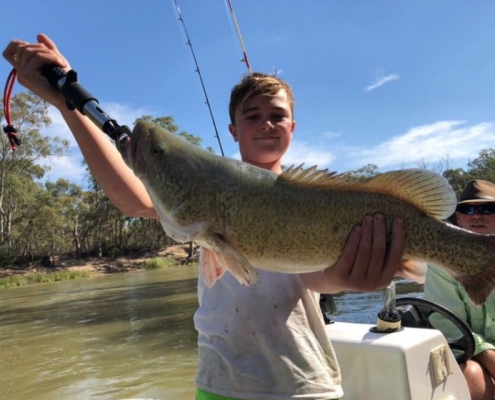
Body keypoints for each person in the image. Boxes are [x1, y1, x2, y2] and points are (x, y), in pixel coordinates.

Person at [3, 34, 407, 400]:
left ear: (293, 127)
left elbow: (310, 277)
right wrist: (65, 100)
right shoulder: (209, 193)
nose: (266, 122)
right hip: (218, 386)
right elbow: (132, 196)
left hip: (303, 387)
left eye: (277, 115)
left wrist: (349, 275)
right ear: (233, 131)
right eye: (252, 116)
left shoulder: (310, 198)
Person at [425, 179, 495, 400]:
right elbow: (449, 324)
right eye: (467, 208)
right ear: (458, 217)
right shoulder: (440, 263)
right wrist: (490, 359)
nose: (476, 215)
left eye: (487, 208)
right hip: (473, 355)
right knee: (471, 374)